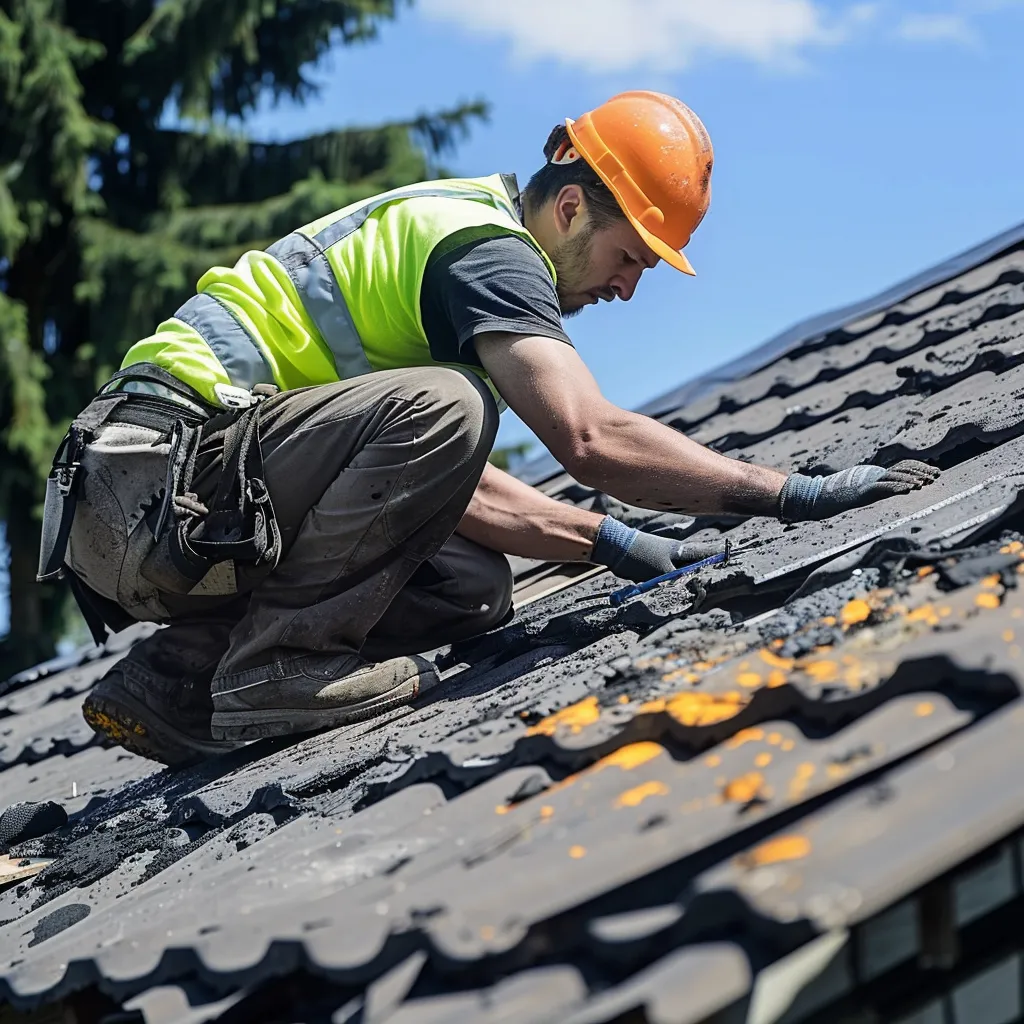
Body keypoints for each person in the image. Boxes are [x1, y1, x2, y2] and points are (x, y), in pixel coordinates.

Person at [38, 90, 939, 766]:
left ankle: (177, 683)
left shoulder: (460, 261)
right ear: (572, 206)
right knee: (451, 408)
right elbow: (587, 436)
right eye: (630, 257)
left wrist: (609, 542)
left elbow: (439, 486)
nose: (627, 289)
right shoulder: (487, 251)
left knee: (468, 586)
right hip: (156, 478)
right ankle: (276, 673)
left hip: (165, 510)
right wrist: (784, 494)